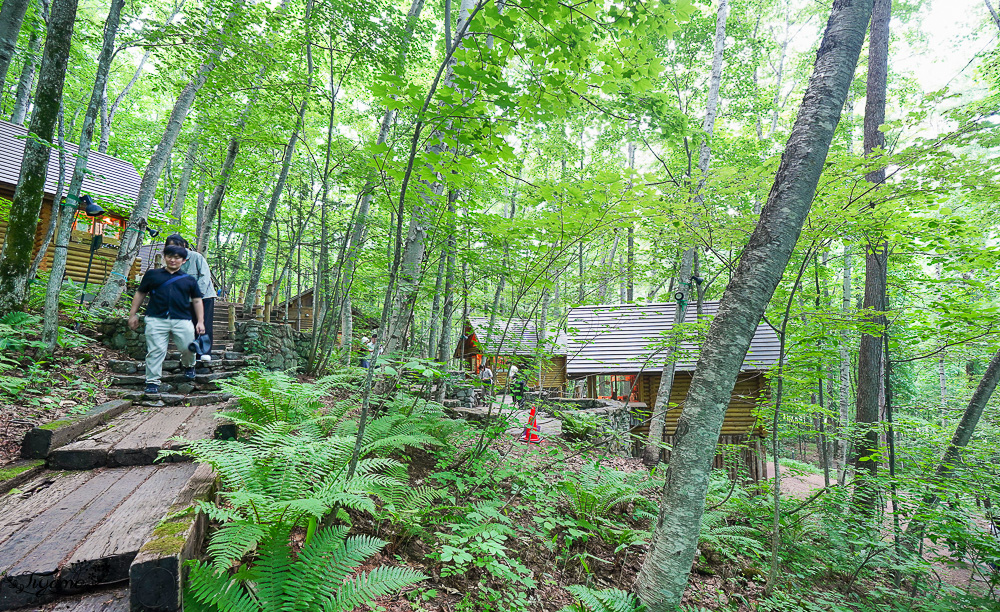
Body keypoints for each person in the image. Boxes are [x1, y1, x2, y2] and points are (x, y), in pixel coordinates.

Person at [128, 244, 205, 395]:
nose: (173, 260)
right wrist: (133, 314)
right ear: (164, 257)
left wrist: (200, 321)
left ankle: (189, 365)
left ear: (184, 260)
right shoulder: (152, 275)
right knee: (156, 351)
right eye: (169, 256)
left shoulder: (189, 280)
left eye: (177, 258)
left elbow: (197, 300)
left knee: (188, 347)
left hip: (182, 319)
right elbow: (140, 294)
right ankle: (152, 381)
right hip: (156, 318)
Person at [165, 233, 216, 361]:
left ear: (183, 245)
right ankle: (192, 354)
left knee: (204, 324)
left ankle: (205, 353)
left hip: (205, 296)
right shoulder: (172, 262)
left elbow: (205, 276)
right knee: (189, 327)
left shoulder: (196, 257)